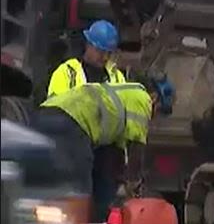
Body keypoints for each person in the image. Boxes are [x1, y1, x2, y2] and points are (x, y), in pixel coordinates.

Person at [32, 75, 174, 201]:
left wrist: (119, 179)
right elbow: (136, 147)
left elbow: (115, 155)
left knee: (47, 178)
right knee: (80, 184)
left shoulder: (123, 96)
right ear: (154, 97)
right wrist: (134, 182)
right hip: (74, 120)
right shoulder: (142, 99)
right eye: (158, 111)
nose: (153, 118)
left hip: (46, 112)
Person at [47, 19, 128, 224]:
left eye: (108, 52)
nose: (104, 57)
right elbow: (55, 110)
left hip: (104, 150)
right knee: (76, 197)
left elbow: (122, 112)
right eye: (100, 50)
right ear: (88, 45)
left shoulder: (117, 77)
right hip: (74, 147)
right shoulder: (67, 73)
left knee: (103, 203)